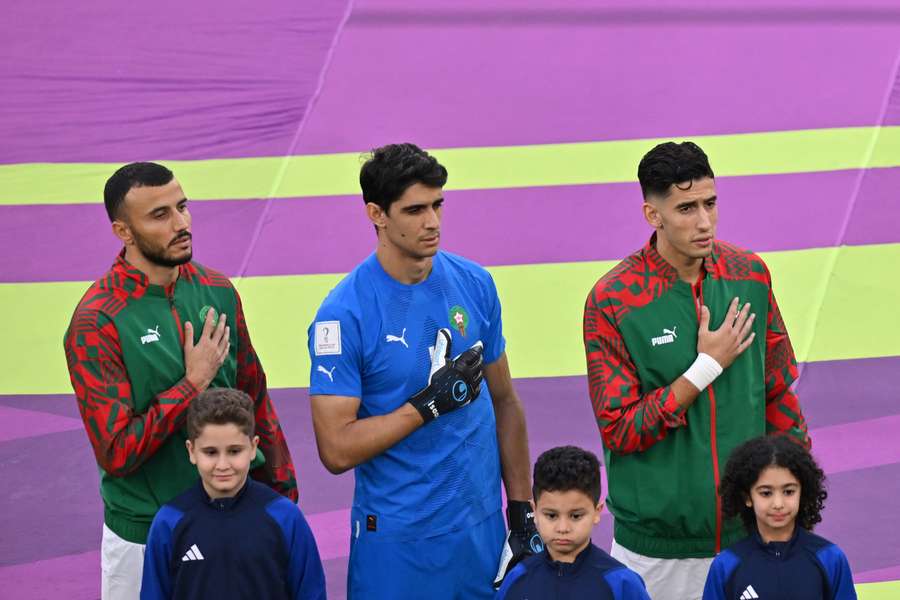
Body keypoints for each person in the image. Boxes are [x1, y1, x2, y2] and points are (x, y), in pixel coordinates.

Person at [582, 141, 811, 600]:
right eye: (686, 208)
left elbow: (777, 394)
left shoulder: (751, 275)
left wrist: (796, 501)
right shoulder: (613, 300)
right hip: (659, 553)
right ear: (653, 214)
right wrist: (705, 367)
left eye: (710, 203)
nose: (703, 222)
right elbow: (622, 429)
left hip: (750, 535)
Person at [307, 143, 535, 598]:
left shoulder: (475, 283)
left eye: (437, 205)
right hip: (396, 542)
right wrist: (426, 406)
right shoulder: (344, 314)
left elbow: (505, 401)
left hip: (481, 529)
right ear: (377, 214)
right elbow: (335, 449)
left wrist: (522, 509)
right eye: (414, 210)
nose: (432, 222)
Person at [64, 162, 297, 599]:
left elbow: (256, 400)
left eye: (182, 207)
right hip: (146, 535)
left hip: (234, 519)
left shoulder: (217, 290)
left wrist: (283, 501)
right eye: (160, 215)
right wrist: (193, 384)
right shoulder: (97, 322)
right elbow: (117, 452)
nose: (181, 223)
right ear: (123, 232)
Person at [141, 388, 325, 599]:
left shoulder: (285, 517)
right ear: (191, 451)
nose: (222, 464)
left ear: (253, 447)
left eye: (234, 451)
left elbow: (311, 593)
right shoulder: (169, 522)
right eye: (210, 452)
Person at [703, 435, 856, 600]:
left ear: (802, 493)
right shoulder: (726, 566)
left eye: (788, 491)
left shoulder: (830, 559)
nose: (778, 503)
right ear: (747, 497)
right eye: (766, 493)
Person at [495, 446, 650, 600]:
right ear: (534, 511)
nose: (563, 528)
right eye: (551, 515)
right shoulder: (518, 579)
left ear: (597, 511)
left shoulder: (621, 584)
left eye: (575, 516)